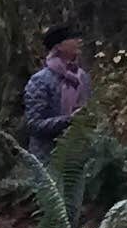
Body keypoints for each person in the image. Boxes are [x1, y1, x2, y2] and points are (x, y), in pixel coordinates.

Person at [19, 25, 88, 156]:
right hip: (47, 157)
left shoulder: (82, 77)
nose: (79, 41)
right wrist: (69, 120)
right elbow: (34, 124)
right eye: (72, 38)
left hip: (78, 158)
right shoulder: (39, 81)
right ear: (59, 46)